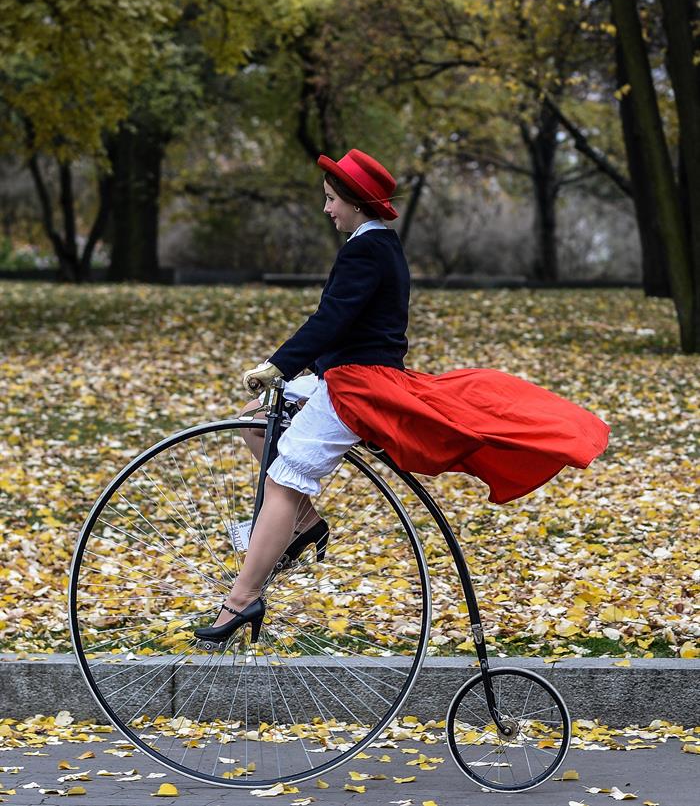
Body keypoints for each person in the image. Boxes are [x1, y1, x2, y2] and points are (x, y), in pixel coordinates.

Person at [194, 148, 610, 646]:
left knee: (283, 478)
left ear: (355, 203)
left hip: (357, 385)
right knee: (254, 423)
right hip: (345, 373)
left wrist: (277, 365)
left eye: (332, 200)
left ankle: (240, 600)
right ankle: (303, 524)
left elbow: (333, 320)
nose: (327, 209)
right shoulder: (376, 244)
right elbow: (344, 323)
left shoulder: (366, 249)